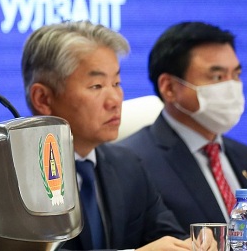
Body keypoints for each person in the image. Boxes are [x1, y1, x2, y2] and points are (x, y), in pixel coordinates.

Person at [119, 22, 247, 246]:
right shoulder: (133, 163)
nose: (232, 88)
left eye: (236, 75)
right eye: (217, 77)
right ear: (169, 87)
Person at [21, 20, 190, 251]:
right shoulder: (15, 178)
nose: (115, 100)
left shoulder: (127, 166)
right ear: (43, 99)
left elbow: (169, 236)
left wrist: (195, 244)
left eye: (116, 83)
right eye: (97, 86)